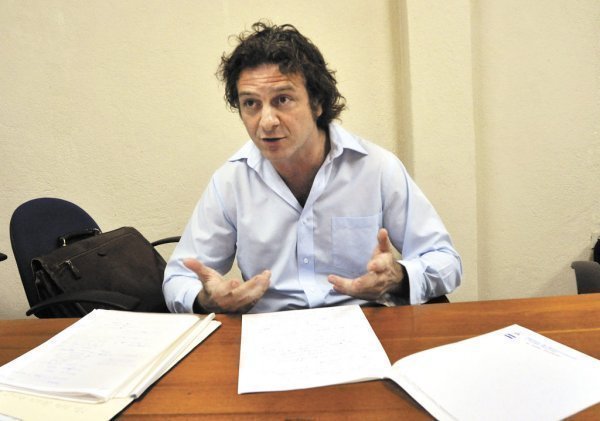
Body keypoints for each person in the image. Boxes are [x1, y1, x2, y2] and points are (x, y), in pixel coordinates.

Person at [163, 22, 462, 314]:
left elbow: (445, 260)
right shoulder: (231, 181)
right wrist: (207, 299)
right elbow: (178, 279)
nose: (266, 121)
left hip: (364, 323)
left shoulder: (376, 168)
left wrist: (398, 276)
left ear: (317, 102)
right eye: (251, 103)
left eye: (282, 100)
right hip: (271, 330)